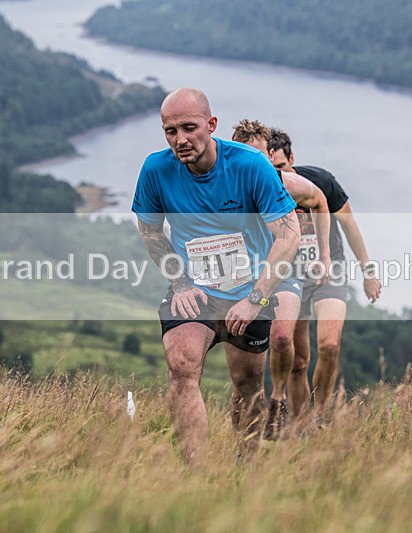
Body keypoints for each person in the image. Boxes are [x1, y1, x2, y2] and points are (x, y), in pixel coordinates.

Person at [132, 88, 300, 467]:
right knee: (181, 365)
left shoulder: (250, 165)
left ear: (211, 125)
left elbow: (289, 234)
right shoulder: (155, 170)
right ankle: (197, 474)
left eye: (189, 128)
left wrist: (255, 298)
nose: (181, 140)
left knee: (247, 384)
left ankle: (247, 465)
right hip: (197, 291)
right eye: (170, 131)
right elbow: (151, 233)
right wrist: (180, 282)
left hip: (250, 293)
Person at [267, 127, 382, 426]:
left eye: (280, 167)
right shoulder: (260, 189)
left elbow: (349, 224)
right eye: (269, 169)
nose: (276, 175)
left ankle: (320, 417)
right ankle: (300, 424)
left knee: (330, 345)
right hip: (290, 277)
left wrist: (368, 272)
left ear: (292, 158)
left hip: (328, 270)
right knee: (298, 361)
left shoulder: (320, 182)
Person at [231, 119, 331, 440]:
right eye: (248, 156)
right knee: (243, 365)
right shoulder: (224, 185)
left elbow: (320, 202)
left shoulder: (286, 182)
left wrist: (324, 255)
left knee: (284, 339)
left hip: (284, 271)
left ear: (270, 155)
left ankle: (278, 400)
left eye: (261, 156)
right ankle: (251, 408)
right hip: (240, 274)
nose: (255, 164)